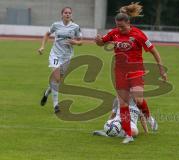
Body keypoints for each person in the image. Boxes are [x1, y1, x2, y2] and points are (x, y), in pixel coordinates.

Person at [95, 2, 167, 143]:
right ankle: (128, 135)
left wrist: (161, 70)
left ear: (129, 23)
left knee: (138, 99)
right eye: (117, 26)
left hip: (136, 71)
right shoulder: (113, 33)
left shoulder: (138, 34)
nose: (119, 29)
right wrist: (98, 41)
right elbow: (102, 42)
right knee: (123, 103)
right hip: (120, 72)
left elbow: (154, 51)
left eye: (122, 27)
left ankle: (148, 117)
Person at [38, 7, 82, 113]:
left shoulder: (75, 27)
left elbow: (80, 41)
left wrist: (75, 42)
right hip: (55, 55)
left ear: (71, 15)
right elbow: (47, 34)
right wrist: (42, 46)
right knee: (57, 78)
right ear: (62, 14)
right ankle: (56, 105)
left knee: (57, 81)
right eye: (66, 13)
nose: (67, 14)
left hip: (67, 57)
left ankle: (46, 92)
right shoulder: (55, 25)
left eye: (69, 13)